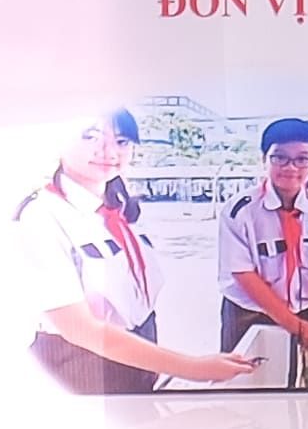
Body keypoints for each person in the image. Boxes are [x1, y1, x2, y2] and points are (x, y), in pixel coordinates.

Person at [18, 112, 234, 394]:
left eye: (121, 141)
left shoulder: (120, 210)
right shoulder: (42, 216)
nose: (108, 151)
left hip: (135, 355)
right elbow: (79, 328)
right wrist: (195, 368)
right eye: (91, 136)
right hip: (80, 367)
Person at [219, 117, 308, 377]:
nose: (290, 167)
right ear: (264, 159)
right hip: (250, 314)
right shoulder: (240, 210)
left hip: (306, 310)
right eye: (279, 157)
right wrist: (295, 326)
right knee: (248, 382)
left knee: (299, 376)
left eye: (302, 159)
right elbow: (244, 275)